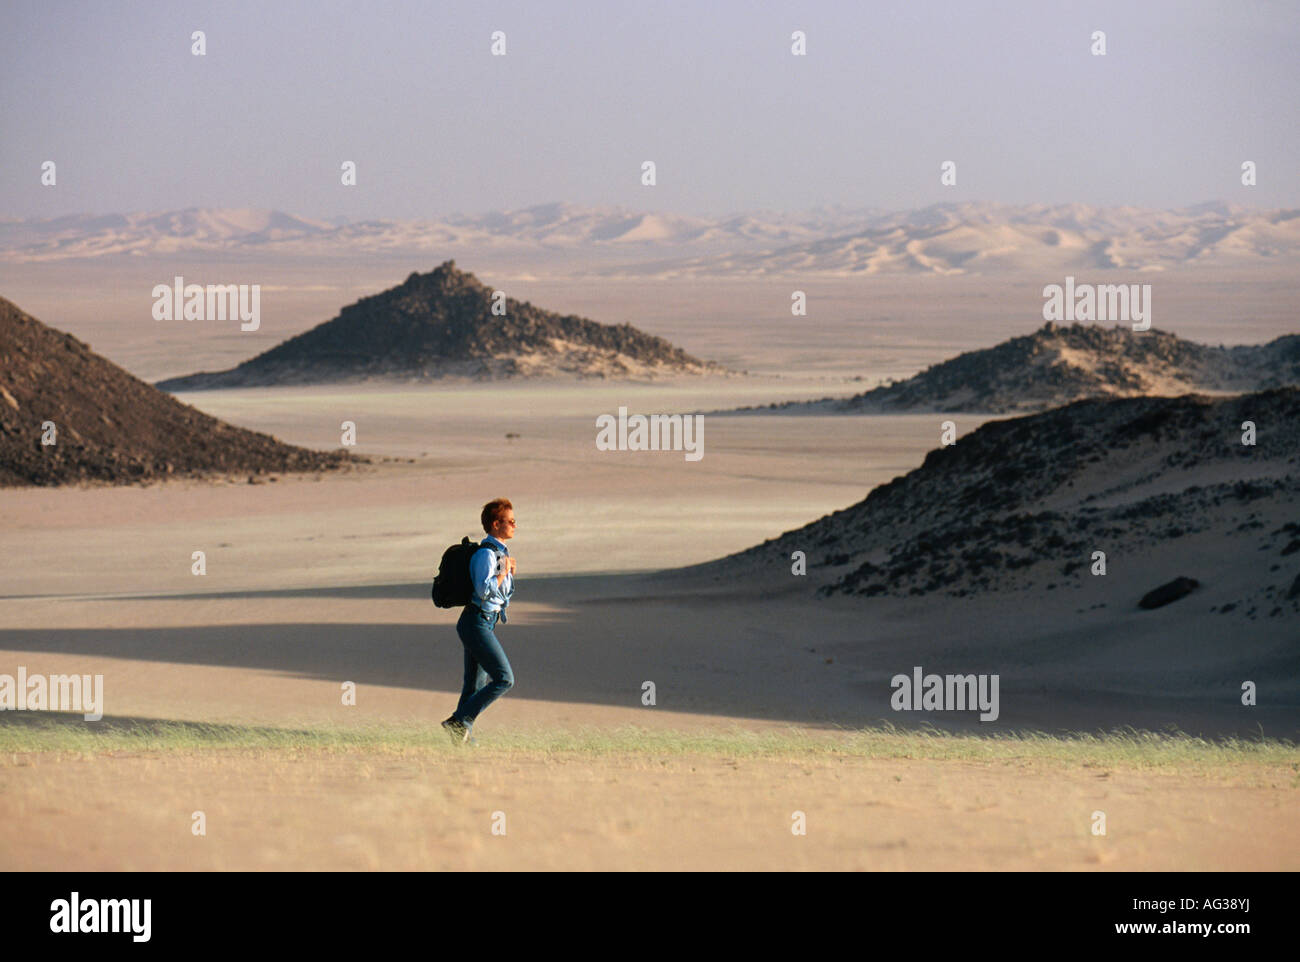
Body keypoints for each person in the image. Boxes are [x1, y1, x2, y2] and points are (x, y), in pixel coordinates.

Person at [442, 498, 517, 745]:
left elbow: (501, 596)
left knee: (474, 685)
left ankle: (461, 737)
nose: (515, 526)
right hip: (475, 622)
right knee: (504, 678)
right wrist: (502, 573)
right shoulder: (486, 554)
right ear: (496, 524)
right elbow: (484, 590)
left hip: (484, 622)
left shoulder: (500, 553)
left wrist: (508, 574)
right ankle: (458, 721)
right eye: (511, 521)